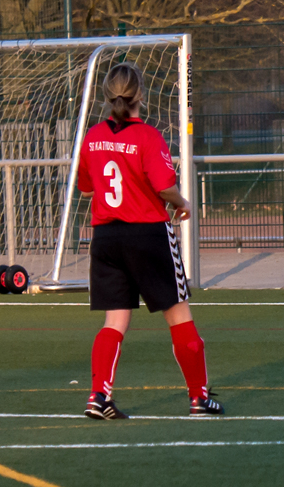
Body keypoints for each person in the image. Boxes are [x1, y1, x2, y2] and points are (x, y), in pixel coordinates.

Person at [78, 62, 223, 419]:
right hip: (147, 234)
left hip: (106, 237)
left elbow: (86, 187)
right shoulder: (148, 136)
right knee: (179, 317)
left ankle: (98, 397)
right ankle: (198, 398)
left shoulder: (93, 136)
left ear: (108, 95)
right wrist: (182, 202)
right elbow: (163, 186)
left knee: (115, 322)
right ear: (139, 94)